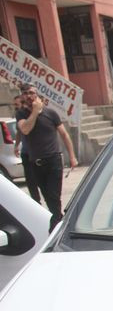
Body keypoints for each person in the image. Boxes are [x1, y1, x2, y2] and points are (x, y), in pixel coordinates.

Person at [16, 84, 78, 231]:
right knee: (48, 197)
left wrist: (72, 156)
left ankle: (56, 226)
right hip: (35, 163)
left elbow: (64, 134)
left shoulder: (51, 113)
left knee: (54, 195)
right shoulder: (21, 114)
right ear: (22, 96)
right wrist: (35, 112)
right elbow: (25, 129)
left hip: (53, 160)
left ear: (38, 95)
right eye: (26, 93)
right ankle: (60, 222)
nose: (29, 96)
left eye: (32, 92)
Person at [12, 94, 40, 204]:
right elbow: (19, 132)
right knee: (30, 180)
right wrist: (16, 146)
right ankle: (36, 201)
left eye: (16, 104)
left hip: (37, 152)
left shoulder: (28, 116)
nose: (15, 107)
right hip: (26, 152)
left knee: (40, 178)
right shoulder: (19, 117)